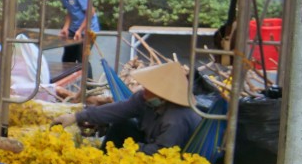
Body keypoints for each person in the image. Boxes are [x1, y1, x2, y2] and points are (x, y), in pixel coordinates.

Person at [51, 62, 199, 154]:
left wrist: (129, 150)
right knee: (121, 125)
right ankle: (102, 162)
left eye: (151, 87)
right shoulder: (145, 99)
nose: (144, 89)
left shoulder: (176, 120)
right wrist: (77, 116)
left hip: (170, 157)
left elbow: (161, 151)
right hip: (147, 143)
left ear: (164, 94)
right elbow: (117, 110)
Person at [52, 0, 100, 73]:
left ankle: (88, 87)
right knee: (67, 59)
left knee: (82, 59)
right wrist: (66, 28)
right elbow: (70, 10)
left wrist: (80, 30)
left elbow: (90, 12)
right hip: (74, 30)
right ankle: (68, 85)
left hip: (88, 30)